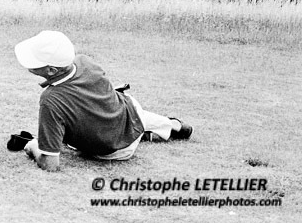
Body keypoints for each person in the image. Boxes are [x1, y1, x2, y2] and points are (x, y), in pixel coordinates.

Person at [14, 30, 193, 172]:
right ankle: (171, 125)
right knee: (128, 108)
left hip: (116, 152)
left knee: (119, 115)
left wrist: (33, 147)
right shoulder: (84, 61)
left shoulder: (50, 100)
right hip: (129, 114)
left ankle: (151, 132)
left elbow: (50, 164)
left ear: (52, 70)